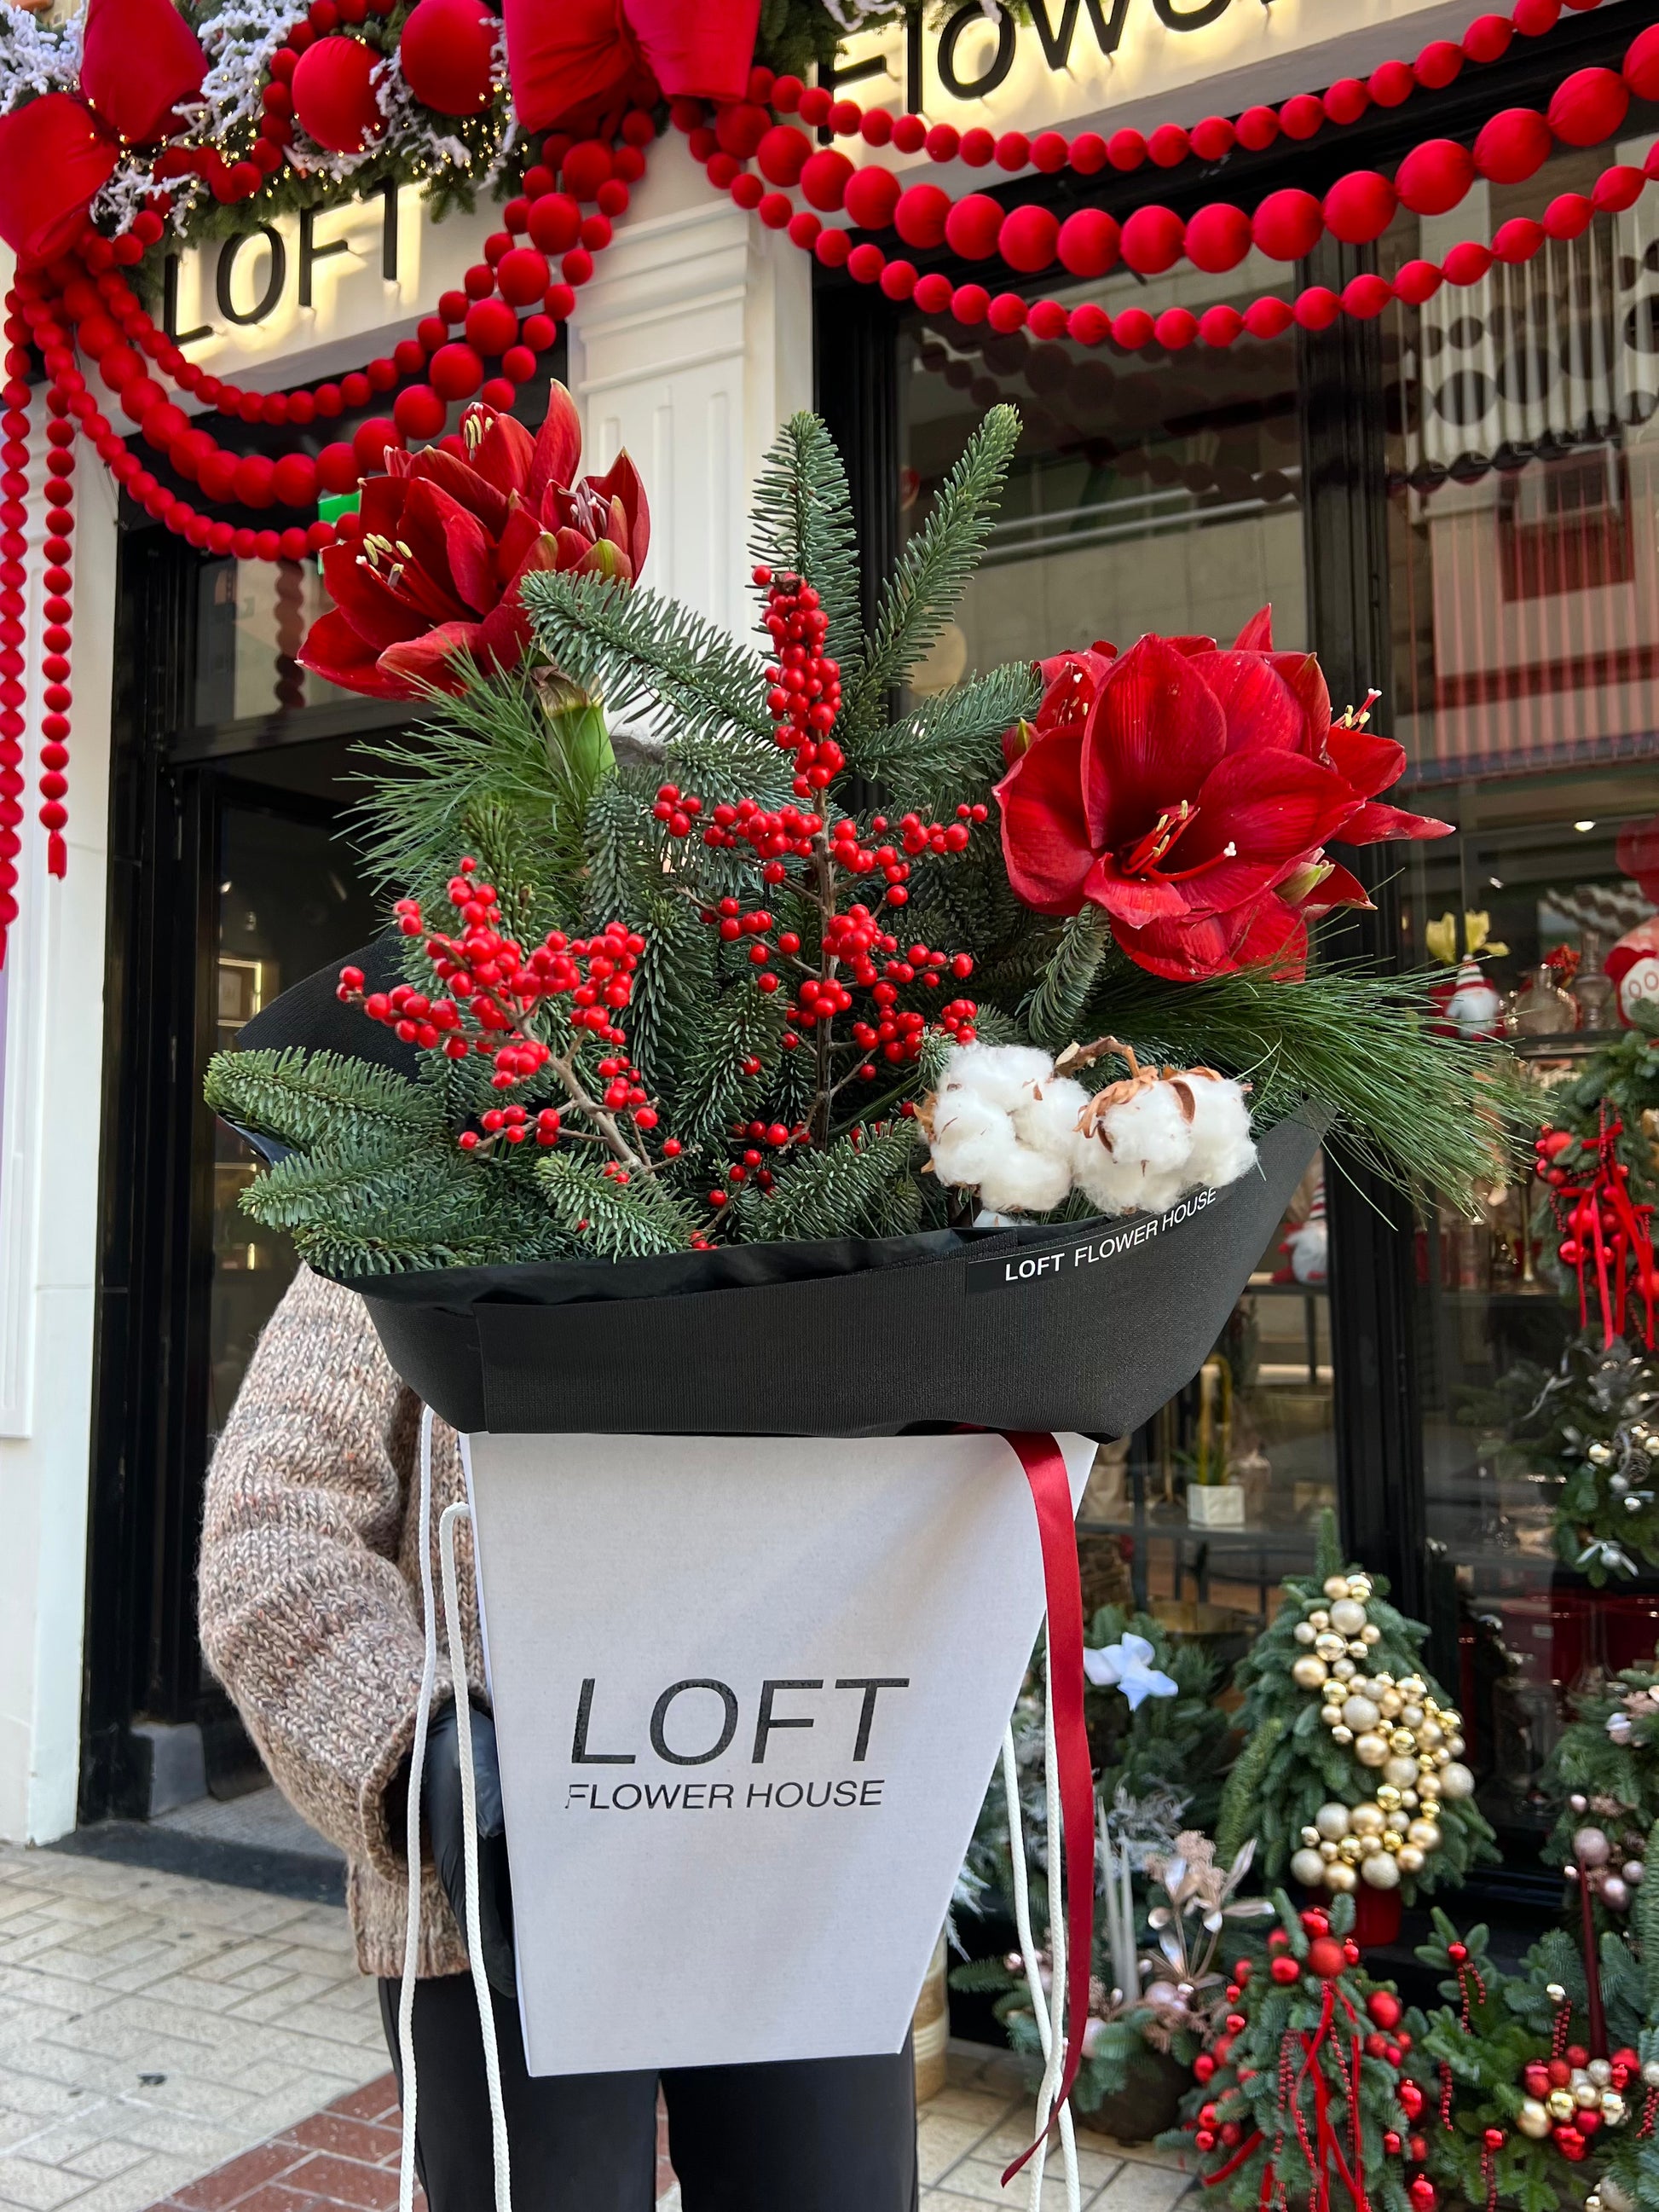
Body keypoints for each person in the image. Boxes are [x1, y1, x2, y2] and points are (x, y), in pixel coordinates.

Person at [199, 1265, 920, 2212]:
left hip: (800, 1848)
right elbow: (270, 1531)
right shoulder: (412, 1216)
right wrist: (427, 1753)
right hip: (501, 1881)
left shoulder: (849, 1207)